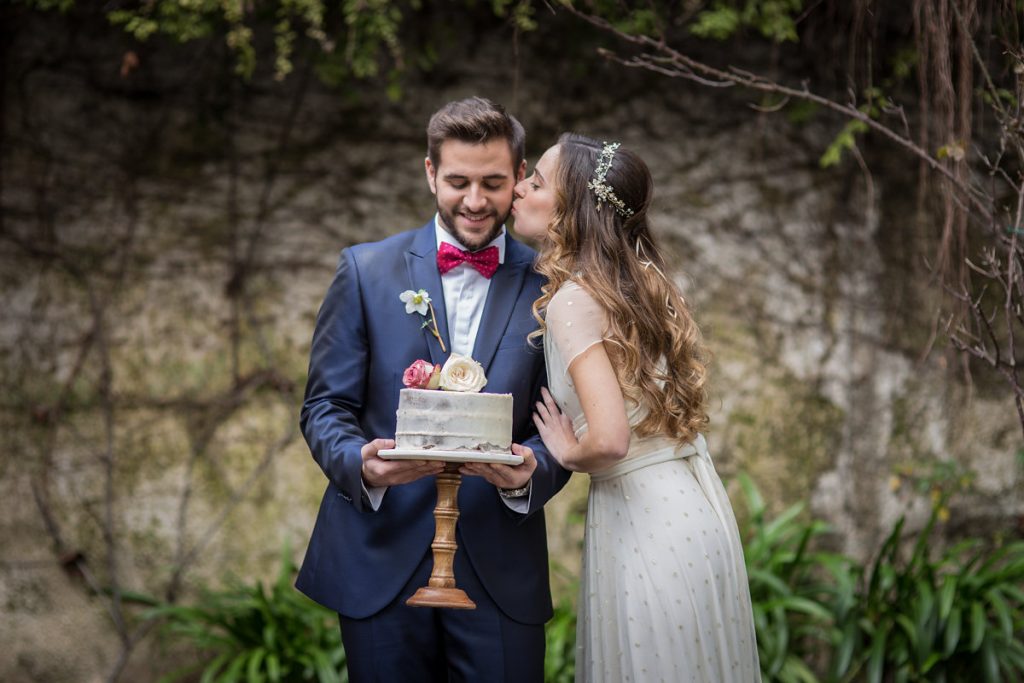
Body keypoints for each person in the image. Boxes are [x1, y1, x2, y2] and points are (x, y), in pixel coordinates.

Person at [297, 97, 571, 682]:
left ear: (520, 179)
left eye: (494, 182)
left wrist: (534, 473)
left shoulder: (557, 286)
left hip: (500, 564)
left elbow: (566, 422)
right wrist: (361, 465)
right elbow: (325, 406)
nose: (474, 201)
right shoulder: (364, 271)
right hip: (381, 554)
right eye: (458, 181)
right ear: (429, 173)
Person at [512, 133, 761, 682]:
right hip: (693, 509)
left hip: (647, 524)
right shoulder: (640, 284)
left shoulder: (574, 301)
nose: (517, 188)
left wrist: (567, 450)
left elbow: (609, 439)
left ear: (570, 208)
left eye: (536, 182)